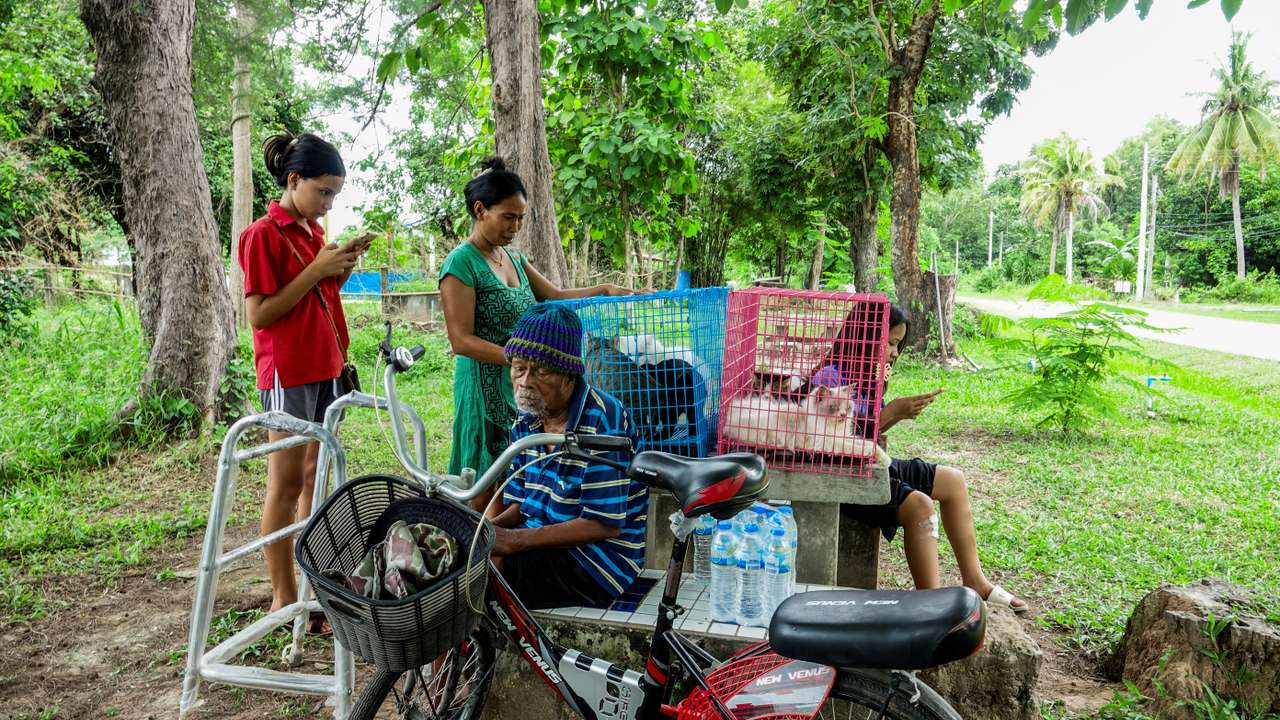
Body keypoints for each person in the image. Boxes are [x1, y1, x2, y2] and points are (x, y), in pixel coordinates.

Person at [813, 304, 1028, 613]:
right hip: (841, 477)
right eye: (888, 343)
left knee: (953, 481)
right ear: (861, 337)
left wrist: (893, 417)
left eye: (898, 345)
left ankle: (976, 580)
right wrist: (893, 412)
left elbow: (868, 433)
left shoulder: (868, 377)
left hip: (869, 465)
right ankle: (931, 608)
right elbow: (832, 443)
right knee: (920, 506)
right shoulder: (829, 379)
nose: (894, 352)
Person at [239, 132, 372, 628]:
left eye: (335, 194)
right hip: (288, 373)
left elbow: (316, 294)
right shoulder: (261, 235)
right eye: (323, 191)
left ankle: (313, 593)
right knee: (286, 482)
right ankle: (282, 594)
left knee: (314, 484)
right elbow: (260, 314)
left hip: (325, 367)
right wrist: (318, 270)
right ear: (293, 180)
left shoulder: (313, 234)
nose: (328, 203)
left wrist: (337, 266)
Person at [439, 157, 634, 495]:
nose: (515, 227)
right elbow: (461, 340)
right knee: (484, 476)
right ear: (481, 210)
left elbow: (554, 295)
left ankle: (503, 538)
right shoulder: (461, 263)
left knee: (514, 471)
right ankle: (474, 537)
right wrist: (519, 360)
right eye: (508, 218)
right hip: (483, 389)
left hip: (518, 379)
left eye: (521, 219)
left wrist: (604, 289)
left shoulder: (512, 257)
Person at [488, 304, 648, 609]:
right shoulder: (527, 420)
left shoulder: (604, 420)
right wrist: (489, 530)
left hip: (598, 560)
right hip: (541, 539)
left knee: (483, 571)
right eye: (519, 368)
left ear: (570, 376)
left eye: (541, 371)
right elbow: (522, 503)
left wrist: (511, 541)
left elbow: (604, 525)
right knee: (464, 558)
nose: (524, 382)